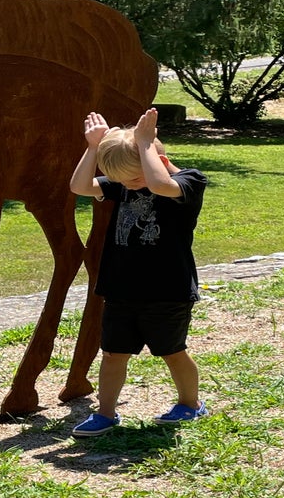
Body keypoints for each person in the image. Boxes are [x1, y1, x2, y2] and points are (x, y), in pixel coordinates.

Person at [68, 107, 208, 437]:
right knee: (113, 354)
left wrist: (145, 143)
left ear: (157, 159)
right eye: (120, 180)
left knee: (172, 351)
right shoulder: (126, 184)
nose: (127, 186)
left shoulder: (189, 181)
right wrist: (93, 147)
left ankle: (190, 404)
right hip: (121, 289)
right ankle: (105, 413)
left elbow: (160, 185)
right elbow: (80, 186)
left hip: (168, 291)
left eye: (132, 179)